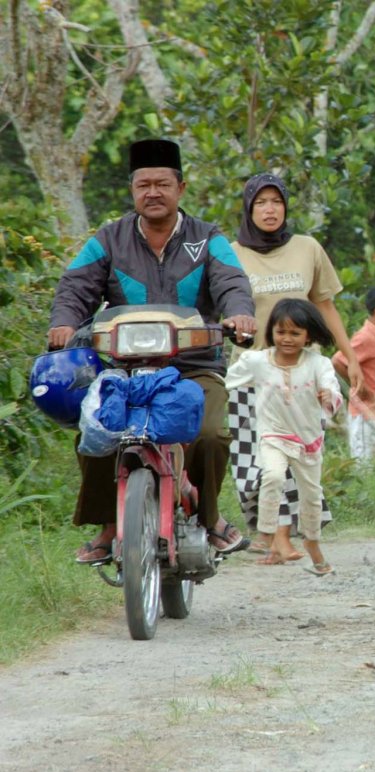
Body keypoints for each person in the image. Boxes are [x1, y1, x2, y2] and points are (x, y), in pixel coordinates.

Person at [48, 138, 256, 564]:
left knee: (211, 433)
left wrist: (239, 315)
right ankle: (110, 524)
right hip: (125, 368)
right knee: (97, 428)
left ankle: (210, 517)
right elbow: (75, 286)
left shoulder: (209, 239)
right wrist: (63, 323)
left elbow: (233, 283)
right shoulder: (107, 239)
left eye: (162, 183)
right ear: (132, 190)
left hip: (193, 367)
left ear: (181, 187)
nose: (153, 192)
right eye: (143, 185)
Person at [227, 173, 362, 554]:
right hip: (252, 371)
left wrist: (349, 357)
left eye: (277, 202)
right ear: (249, 208)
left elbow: (325, 306)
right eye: (261, 203)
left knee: (291, 450)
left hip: (301, 373)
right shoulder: (230, 253)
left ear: (286, 207)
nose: (269, 210)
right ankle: (269, 529)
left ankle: (283, 536)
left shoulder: (307, 248)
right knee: (248, 459)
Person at [225, 299, 343, 574]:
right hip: (272, 435)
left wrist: (328, 396)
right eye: (281, 332)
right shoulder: (257, 361)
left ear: (308, 335)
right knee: (273, 476)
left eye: (295, 333)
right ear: (271, 332)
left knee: (312, 496)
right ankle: (266, 534)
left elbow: (332, 391)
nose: (287, 339)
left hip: (308, 441)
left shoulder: (319, 364)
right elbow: (226, 380)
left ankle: (313, 544)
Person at [333, 287, 375, 459]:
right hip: (365, 414)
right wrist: (358, 385)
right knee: (368, 467)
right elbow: (338, 361)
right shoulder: (365, 337)